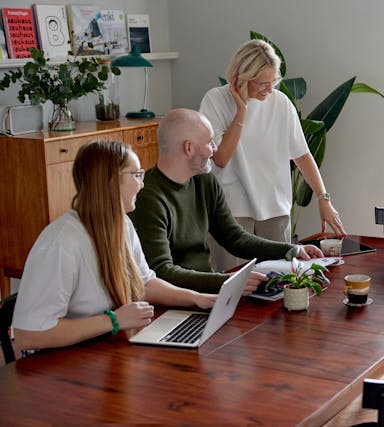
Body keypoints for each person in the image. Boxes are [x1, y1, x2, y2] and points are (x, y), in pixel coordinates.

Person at [12, 141, 217, 354]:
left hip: (103, 352)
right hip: (64, 366)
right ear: (110, 181)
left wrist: (196, 297)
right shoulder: (61, 242)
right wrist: (113, 320)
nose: (142, 184)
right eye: (136, 175)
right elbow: (29, 335)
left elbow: (145, 283)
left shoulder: (121, 223)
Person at [128, 108, 324, 294]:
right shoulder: (147, 197)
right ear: (188, 148)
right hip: (177, 301)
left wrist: (291, 250)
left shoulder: (204, 179)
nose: (214, 149)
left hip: (210, 291)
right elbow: (161, 272)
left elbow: (234, 237)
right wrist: (228, 282)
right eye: (210, 142)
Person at [199, 39, 346, 271]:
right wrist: (241, 111)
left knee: (278, 283)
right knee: (232, 285)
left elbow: (302, 155)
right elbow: (221, 158)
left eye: (274, 81)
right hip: (231, 212)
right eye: (263, 84)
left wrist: (323, 198)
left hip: (275, 211)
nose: (270, 89)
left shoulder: (281, 104)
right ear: (242, 78)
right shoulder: (215, 101)